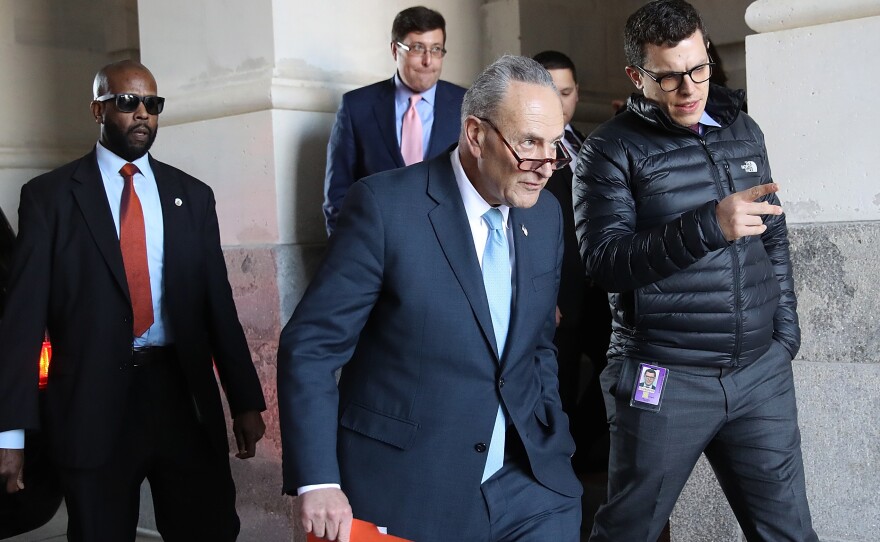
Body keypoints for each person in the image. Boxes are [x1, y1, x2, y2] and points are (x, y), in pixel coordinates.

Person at [279, 55, 582, 542]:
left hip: (532, 488)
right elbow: (310, 347)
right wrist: (318, 479)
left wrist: (552, 434)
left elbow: (538, 343)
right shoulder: (384, 207)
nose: (546, 167)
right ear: (476, 134)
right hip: (412, 486)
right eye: (529, 143)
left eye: (555, 145)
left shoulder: (543, 214)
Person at [573, 1, 818, 541]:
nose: (689, 88)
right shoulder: (608, 150)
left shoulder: (744, 129)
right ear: (638, 76)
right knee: (628, 530)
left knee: (790, 533)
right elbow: (605, 262)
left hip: (760, 374)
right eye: (668, 76)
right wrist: (711, 224)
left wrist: (784, 336)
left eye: (698, 68)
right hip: (666, 375)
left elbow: (773, 236)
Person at [0, 60, 267, 541]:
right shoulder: (49, 198)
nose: (142, 113)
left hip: (181, 398)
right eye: (128, 102)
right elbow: (22, 324)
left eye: (152, 104)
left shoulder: (193, 196)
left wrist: (245, 400)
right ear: (98, 109)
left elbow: (218, 308)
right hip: (91, 407)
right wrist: (11, 434)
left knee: (208, 529)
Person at [533, 50, 613, 474]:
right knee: (556, 387)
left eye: (565, 92)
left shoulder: (589, 143)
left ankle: (578, 450)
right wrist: (539, 293)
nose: (558, 102)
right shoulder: (524, 153)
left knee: (621, 378)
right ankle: (556, 477)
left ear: (577, 94)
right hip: (556, 293)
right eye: (549, 91)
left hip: (600, 289)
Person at [322, 6, 467, 235]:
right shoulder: (356, 107)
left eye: (436, 49)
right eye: (418, 48)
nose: (428, 61)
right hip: (377, 248)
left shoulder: (465, 104)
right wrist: (350, 255)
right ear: (394, 50)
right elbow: (338, 195)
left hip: (448, 247)